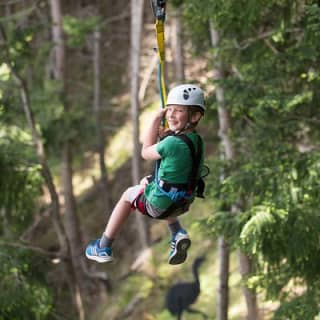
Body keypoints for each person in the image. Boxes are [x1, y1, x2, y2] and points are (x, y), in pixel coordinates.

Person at [85, 84, 206, 265]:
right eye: (169, 110)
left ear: (195, 116)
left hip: (160, 205)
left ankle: (104, 245)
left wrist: (156, 120)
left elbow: (146, 152)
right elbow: (178, 156)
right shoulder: (196, 140)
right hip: (184, 201)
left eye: (178, 111)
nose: (171, 115)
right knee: (146, 182)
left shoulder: (172, 143)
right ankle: (177, 232)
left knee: (127, 196)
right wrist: (167, 135)